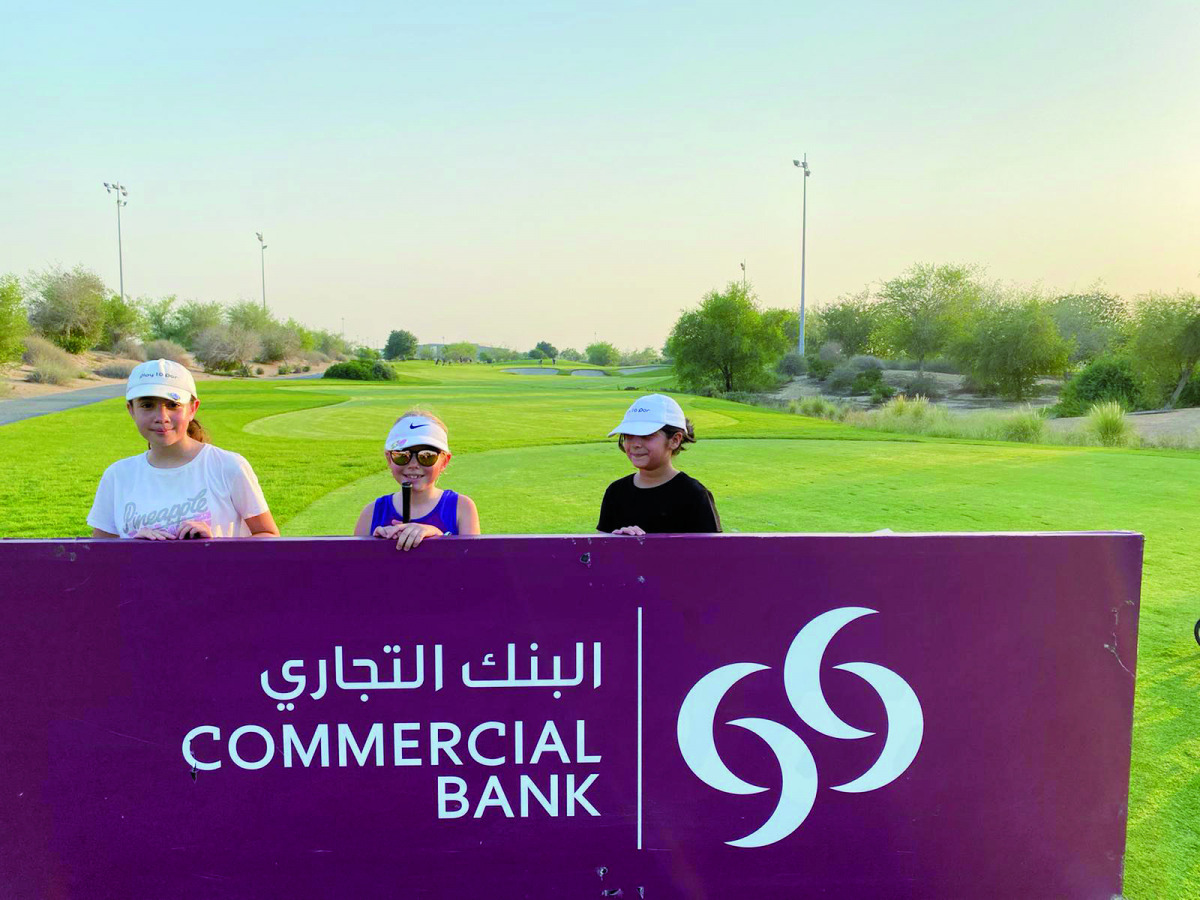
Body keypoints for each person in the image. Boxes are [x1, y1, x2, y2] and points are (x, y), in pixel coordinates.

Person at [88, 359, 279, 540]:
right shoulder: (118, 476)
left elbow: (269, 536)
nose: (161, 417)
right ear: (131, 410)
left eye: (173, 405)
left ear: (192, 408)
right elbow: (100, 554)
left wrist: (214, 543)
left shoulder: (227, 466)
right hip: (143, 577)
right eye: (147, 405)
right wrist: (134, 544)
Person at [353, 410, 481, 550]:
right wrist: (377, 546)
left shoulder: (461, 507)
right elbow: (356, 566)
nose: (413, 464)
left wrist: (438, 536)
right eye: (402, 455)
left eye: (427, 456)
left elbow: (470, 565)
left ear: (444, 461)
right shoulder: (372, 513)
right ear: (389, 459)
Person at [597, 393, 721, 535]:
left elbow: (711, 553)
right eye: (628, 436)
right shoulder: (616, 492)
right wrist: (617, 541)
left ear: (675, 440)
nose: (635, 444)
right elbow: (599, 551)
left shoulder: (694, 495)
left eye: (646, 436)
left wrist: (647, 545)